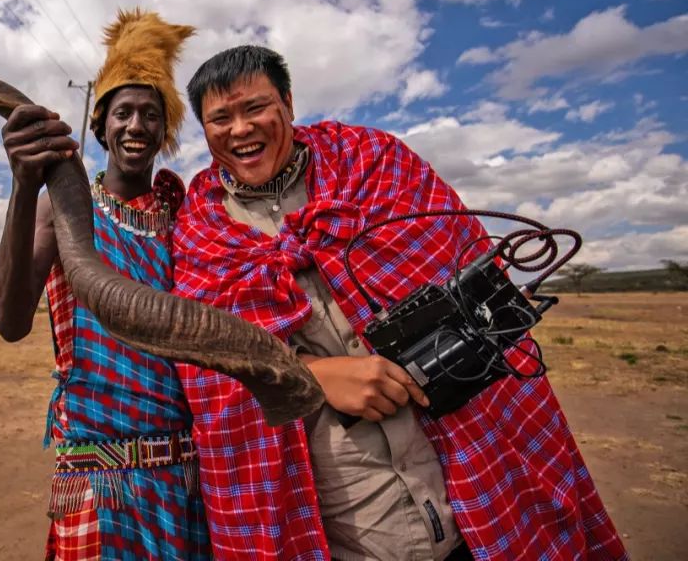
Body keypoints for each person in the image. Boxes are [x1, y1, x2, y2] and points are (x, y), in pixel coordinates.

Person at [171, 45, 627, 560]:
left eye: (255, 108)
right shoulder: (202, 230)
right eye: (220, 118)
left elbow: (471, 283)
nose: (239, 129)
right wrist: (313, 375)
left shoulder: (375, 165)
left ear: (289, 103)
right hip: (346, 513)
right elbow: (215, 370)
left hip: (467, 473)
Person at [0, 9, 210, 560]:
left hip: (184, 479)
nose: (136, 126)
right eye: (123, 113)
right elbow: (10, 323)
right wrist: (24, 188)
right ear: (101, 124)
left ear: (166, 130)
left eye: (151, 115)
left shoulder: (186, 216)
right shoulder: (63, 211)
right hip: (95, 481)